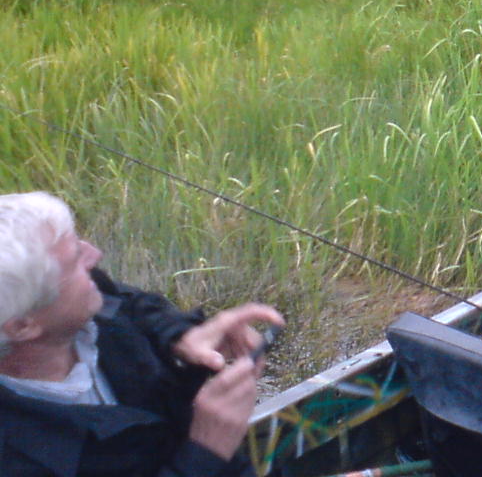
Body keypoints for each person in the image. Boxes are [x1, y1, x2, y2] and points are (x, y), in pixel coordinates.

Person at [0, 191, 285, 477]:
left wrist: (180, 337)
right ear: (23, 326)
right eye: (75, 259)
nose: (95, 255)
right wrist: (206, 450)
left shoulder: (81, 303)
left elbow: (127, 302)